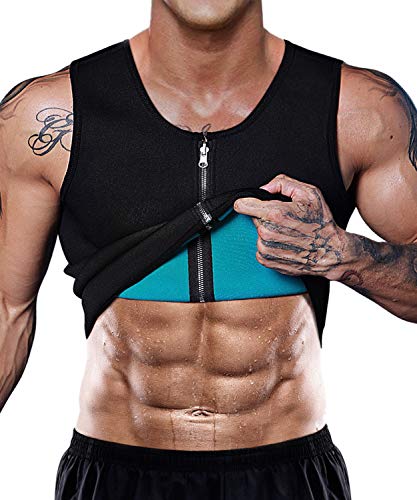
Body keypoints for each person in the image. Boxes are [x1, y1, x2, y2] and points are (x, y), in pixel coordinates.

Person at [1, 1, 416, 499]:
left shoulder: (358, 110)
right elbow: (7, 310)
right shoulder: (50, 116)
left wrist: (346, 255)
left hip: (285, 474)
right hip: (117, 473)